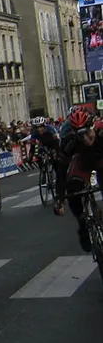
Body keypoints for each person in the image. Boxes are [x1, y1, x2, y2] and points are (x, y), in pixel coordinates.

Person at [60, 107, 103, 253]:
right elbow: (61, 172)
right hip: (83, 163)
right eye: (80, 135)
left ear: (93, 127)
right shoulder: (69, 143)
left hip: (101, 160)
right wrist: (60, 199)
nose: (85, 139)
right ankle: (83, 223)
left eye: (87, 133)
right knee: (73, 188)